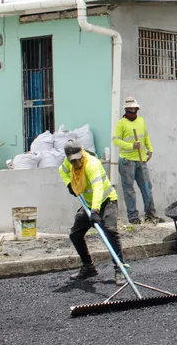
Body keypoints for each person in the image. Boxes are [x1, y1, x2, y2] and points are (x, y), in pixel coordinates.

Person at [59, 139, 125, 285]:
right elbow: (62, 171)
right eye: (72, 161)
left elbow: (98, 189)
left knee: (110, 231)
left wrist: (95, 211)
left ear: (82, 153)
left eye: (78, 159)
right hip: (89, 204)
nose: (76, 163)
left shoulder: (92, 164)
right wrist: (69, 184)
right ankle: (88, 267)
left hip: (107, 201)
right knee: (75, 234)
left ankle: (120, 269)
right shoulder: (67, 163)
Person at [112, 96, 158, 224]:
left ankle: (150, 214)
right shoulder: (121, 123)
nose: (132, 111)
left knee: (147, 187)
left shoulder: (141, 121)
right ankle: (133, 217)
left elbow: (146, 136)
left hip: (141, 160)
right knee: (129, 190)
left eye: (134, 109)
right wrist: (131, 146)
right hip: (127, 161)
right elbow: (116, 140)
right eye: (130, 109)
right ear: (126, 110)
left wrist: (150, 149)